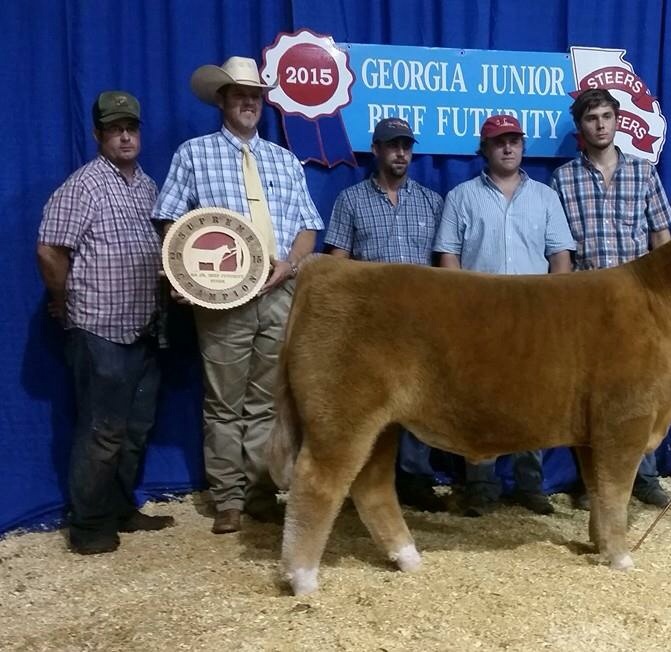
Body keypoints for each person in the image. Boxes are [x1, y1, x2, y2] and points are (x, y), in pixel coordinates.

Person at [154, 57, 324, 534]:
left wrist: (290, 264)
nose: (248, 102)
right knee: (224, 401)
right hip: (223, 297)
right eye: (239, 95)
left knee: (267, 400)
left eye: (255, 96)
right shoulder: (194, 154)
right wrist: (185, 275)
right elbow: (170, 221)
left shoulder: (284, 160)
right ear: (222, 101)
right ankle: (227, 497)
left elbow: (308, 226)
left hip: (278, 290)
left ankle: (259, 492)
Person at [37, 90, 174, 555]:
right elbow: (49, 249)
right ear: (98, 134)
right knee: (102, 430)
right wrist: (63, 300)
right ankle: (89, 525)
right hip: (99, 326)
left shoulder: (149, 187)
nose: (125, 136)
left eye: (131, 128)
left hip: (144, 326)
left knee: (134, 429)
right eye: (115, 129)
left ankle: (119, 508)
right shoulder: (84, 185)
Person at [435, 114, 575, 517]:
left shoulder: (545, 197)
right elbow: (448, 256)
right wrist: (462, 308)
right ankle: (480, 484)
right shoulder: (461, 196)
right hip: (481, 317)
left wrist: (556, 307)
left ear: (523, 145)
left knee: (535, 399)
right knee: (480, 399)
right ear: (485, 149)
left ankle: (530, 484)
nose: (508, 147)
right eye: (499, 141)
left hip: (535, 318)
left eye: (514, 140)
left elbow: (560, 256)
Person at [550, 89, 671, 508]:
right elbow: (559, 246)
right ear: (580, 127)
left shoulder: (643, 172)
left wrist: (664, 295)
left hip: (638, 301)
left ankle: (645, 477)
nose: (600, 124)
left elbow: (661, 236)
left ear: (618, 120)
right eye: (591, 118)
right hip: (587, 303)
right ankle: (593, 482)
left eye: (606, 116)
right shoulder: (563, 178)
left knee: (642, 388)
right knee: (588, 390)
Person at [324, 117, 446, 513]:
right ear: (376, 150)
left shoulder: (432, 201)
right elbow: (338, 264)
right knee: (368, 403)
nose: (400, 153)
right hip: (371, 323)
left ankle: (415, 479)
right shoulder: (351, 200)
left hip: (420, 320)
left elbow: (443, 263)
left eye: (406, 146)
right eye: (392, 146)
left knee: (418, 401)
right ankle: (367, 480)